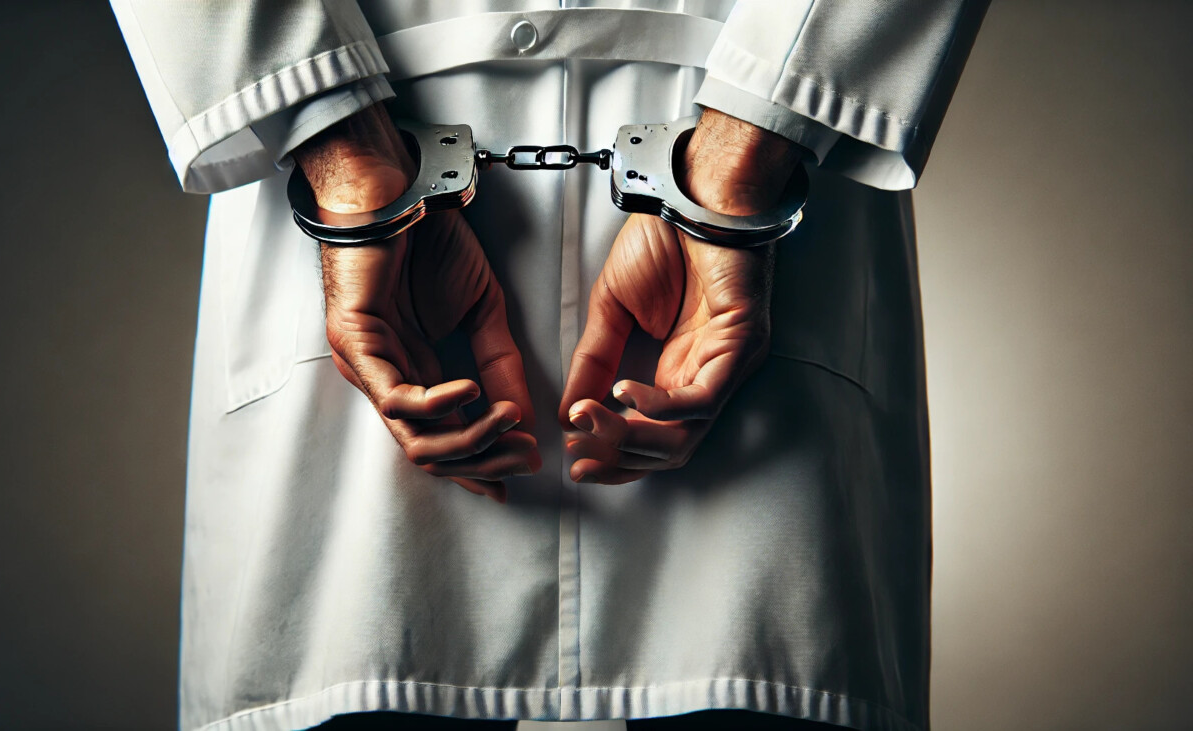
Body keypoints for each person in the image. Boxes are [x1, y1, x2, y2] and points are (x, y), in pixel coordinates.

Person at [111, 2, 988, 730]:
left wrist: (748, 150)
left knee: (765, 677)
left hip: (773, 196)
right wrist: (339, 145)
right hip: (367, 200)